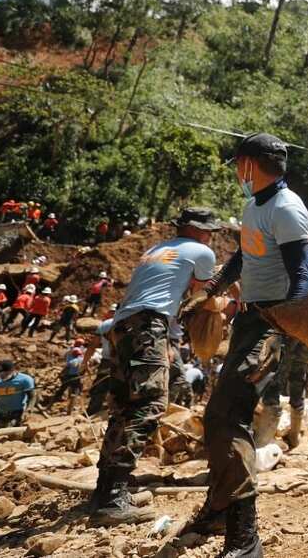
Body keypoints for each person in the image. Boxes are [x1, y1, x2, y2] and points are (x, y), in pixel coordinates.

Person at [185, 135, 308, 558]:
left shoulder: (287, 209)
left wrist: (285, 328)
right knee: (218, 414)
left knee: (228, 414)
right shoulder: (254, 206)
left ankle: (244, 535)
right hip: (249, 319)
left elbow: (300, 277)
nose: (237, 172)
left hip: (272, 322)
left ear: (251, 165)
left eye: (239, 164)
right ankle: (221, 508)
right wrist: (212, 291)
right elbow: (243, 257)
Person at [88, 206, 222, 527]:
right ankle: (113, 496)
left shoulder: (156, 250)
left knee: (123, 406)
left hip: (122, 326)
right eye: (208, 231)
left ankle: (104, 488)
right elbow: (203, 295)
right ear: (196, 230)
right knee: (149, 404)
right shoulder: (201, 252)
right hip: (149, 325)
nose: (210, 237)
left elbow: (167, 290)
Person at [255, 250, 308, 448]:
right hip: (303, 343)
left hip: (285, 339)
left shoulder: (288, 283)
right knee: (297, 385)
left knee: (274, 384)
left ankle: (263, 442)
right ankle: (294, 436)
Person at [85, 319, 118, 418]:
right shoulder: (135, 320)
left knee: (100, 387)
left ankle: (92, 412)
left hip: (107, 361)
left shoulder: (106, 324)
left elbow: (92, 345)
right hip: (126, 362)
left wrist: (85, 361)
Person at [0, 358, 36, 426]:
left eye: (5, 374)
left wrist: (28, 410)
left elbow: (32, 396)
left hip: (16, 412)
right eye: (1, 375)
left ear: (12, 371)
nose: (2, 377)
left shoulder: (25, 380)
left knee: (8, 431)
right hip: (0, 412)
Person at [48, 345, 86, 414]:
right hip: (77, 377)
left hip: (69, 377)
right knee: (75, 392)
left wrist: (60, 375)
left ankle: (50, 405)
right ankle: (72, 408)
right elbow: (86, 368)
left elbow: (66, 369)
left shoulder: (72, 362)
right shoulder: (82, 360)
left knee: (61, 390)